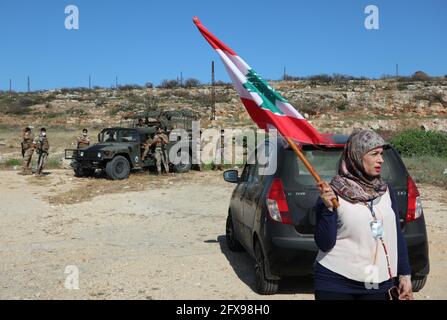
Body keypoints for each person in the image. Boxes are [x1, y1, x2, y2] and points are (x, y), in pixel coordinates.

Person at [314, 129, 413, 300]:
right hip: (336, 281)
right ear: (357, 156)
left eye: (381, 154)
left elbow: (395, 235)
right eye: (374, 154)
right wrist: (329, 209)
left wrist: (404, 273)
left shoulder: (386, 191)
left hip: (376, 282)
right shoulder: (332, 193)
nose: (381, 159)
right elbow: (324, 243)